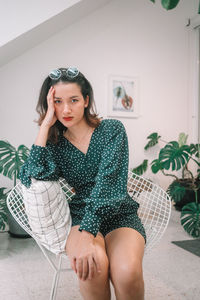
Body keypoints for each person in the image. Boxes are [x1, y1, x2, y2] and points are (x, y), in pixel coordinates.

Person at [20, 67, 146, 300]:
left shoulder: (111, 130)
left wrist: (88, 234)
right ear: (50, 104)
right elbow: (33, 175)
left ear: (86, 100)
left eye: (74, 100)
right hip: (80, 213)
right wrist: (45, 125)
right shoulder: (54, 143)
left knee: (127, 273)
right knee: (93, 269)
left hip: (119, 212)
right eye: (57, 101)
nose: (66, 109)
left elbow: (109, 184)